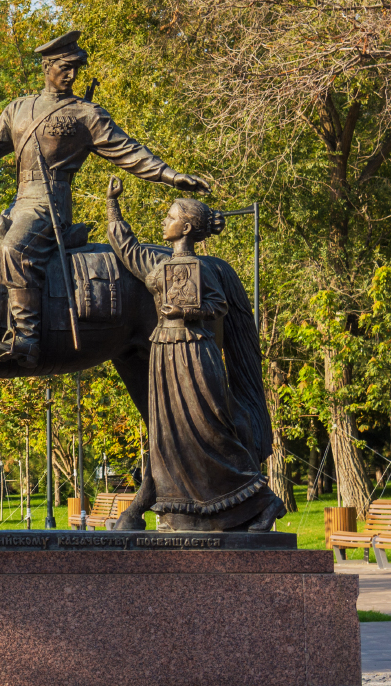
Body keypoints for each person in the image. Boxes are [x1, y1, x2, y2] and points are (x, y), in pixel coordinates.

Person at [0, 30, 209, 368]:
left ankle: (27, 338)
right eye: (66, 67)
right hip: (19, 203)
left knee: (13, 248)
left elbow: (129, 151)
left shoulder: (84, 114)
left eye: (76, 68)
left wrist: (170, 175)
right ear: (47, 67)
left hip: (50, 205)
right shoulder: (19, 108)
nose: (72, 74)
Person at [104, 176, 285, 532]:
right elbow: (126, 247)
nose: (164, 222)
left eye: (170, 217)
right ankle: (190, 510)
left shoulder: (202, 269)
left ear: (186, 227)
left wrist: (186, 312)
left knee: (209, 429)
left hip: (195, 354)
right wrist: (112, 204)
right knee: (170, 434)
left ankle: (265, 502)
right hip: (163, 355)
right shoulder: (157, 267)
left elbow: (218, 305)